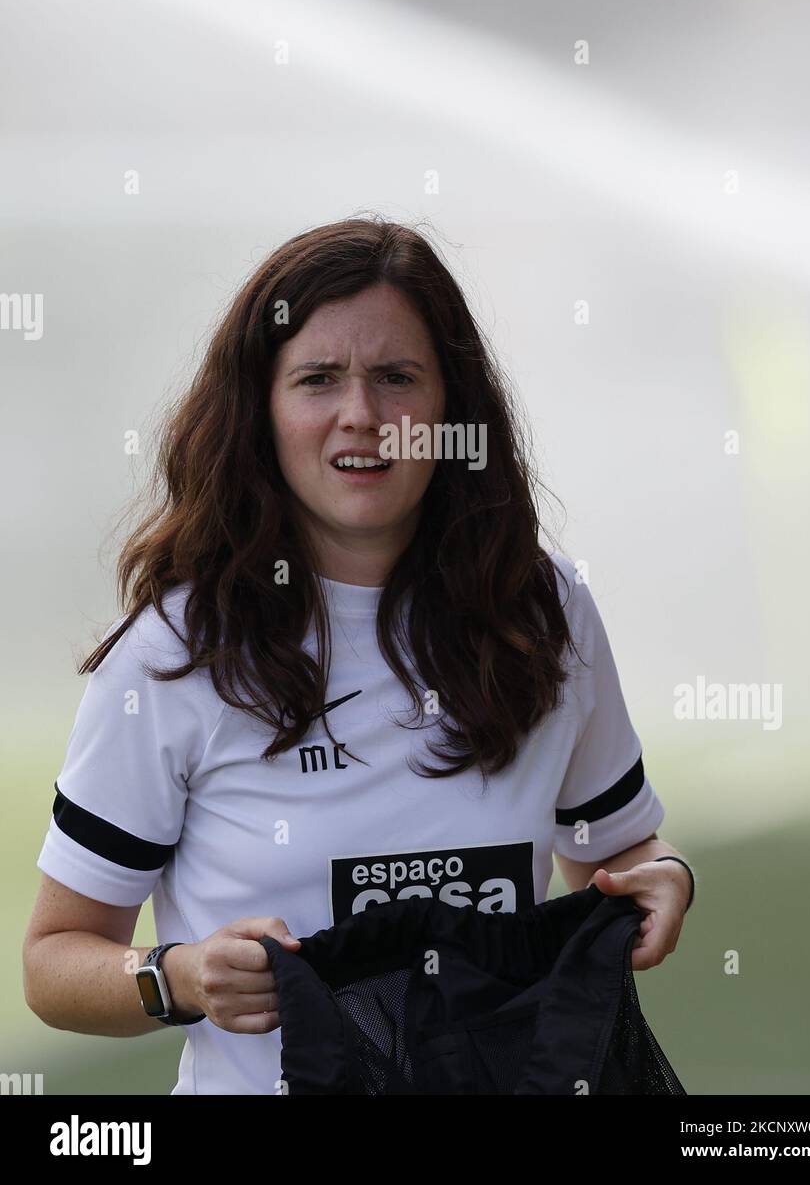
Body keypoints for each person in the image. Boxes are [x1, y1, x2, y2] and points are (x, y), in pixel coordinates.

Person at [22, 217, 694, 1096]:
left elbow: (617, 852)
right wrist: (177, 977)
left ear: (452, 408)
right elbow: (53, 961)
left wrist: (665, 878)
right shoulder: (179, 652)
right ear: (260, 408)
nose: (363, 416)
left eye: (397, 378)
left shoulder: (542, 607)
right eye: (317, 379)